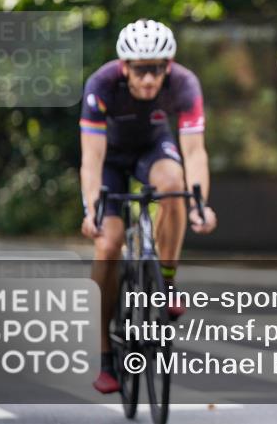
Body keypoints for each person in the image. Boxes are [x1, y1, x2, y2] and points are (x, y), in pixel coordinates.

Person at [79, 19, 218, 394]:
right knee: (109, 243)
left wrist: (200, 205)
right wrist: (91, 209)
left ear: (168, 65)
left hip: (153, 150)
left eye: (157, 69)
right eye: (140, 70)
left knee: (173, 186)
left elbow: (194, 152)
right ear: (125, 66)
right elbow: (91, 159)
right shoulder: (101, 84)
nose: (149, 79)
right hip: (110, 160)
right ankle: (105, 355)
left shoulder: (184, 83)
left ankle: (165, 282)